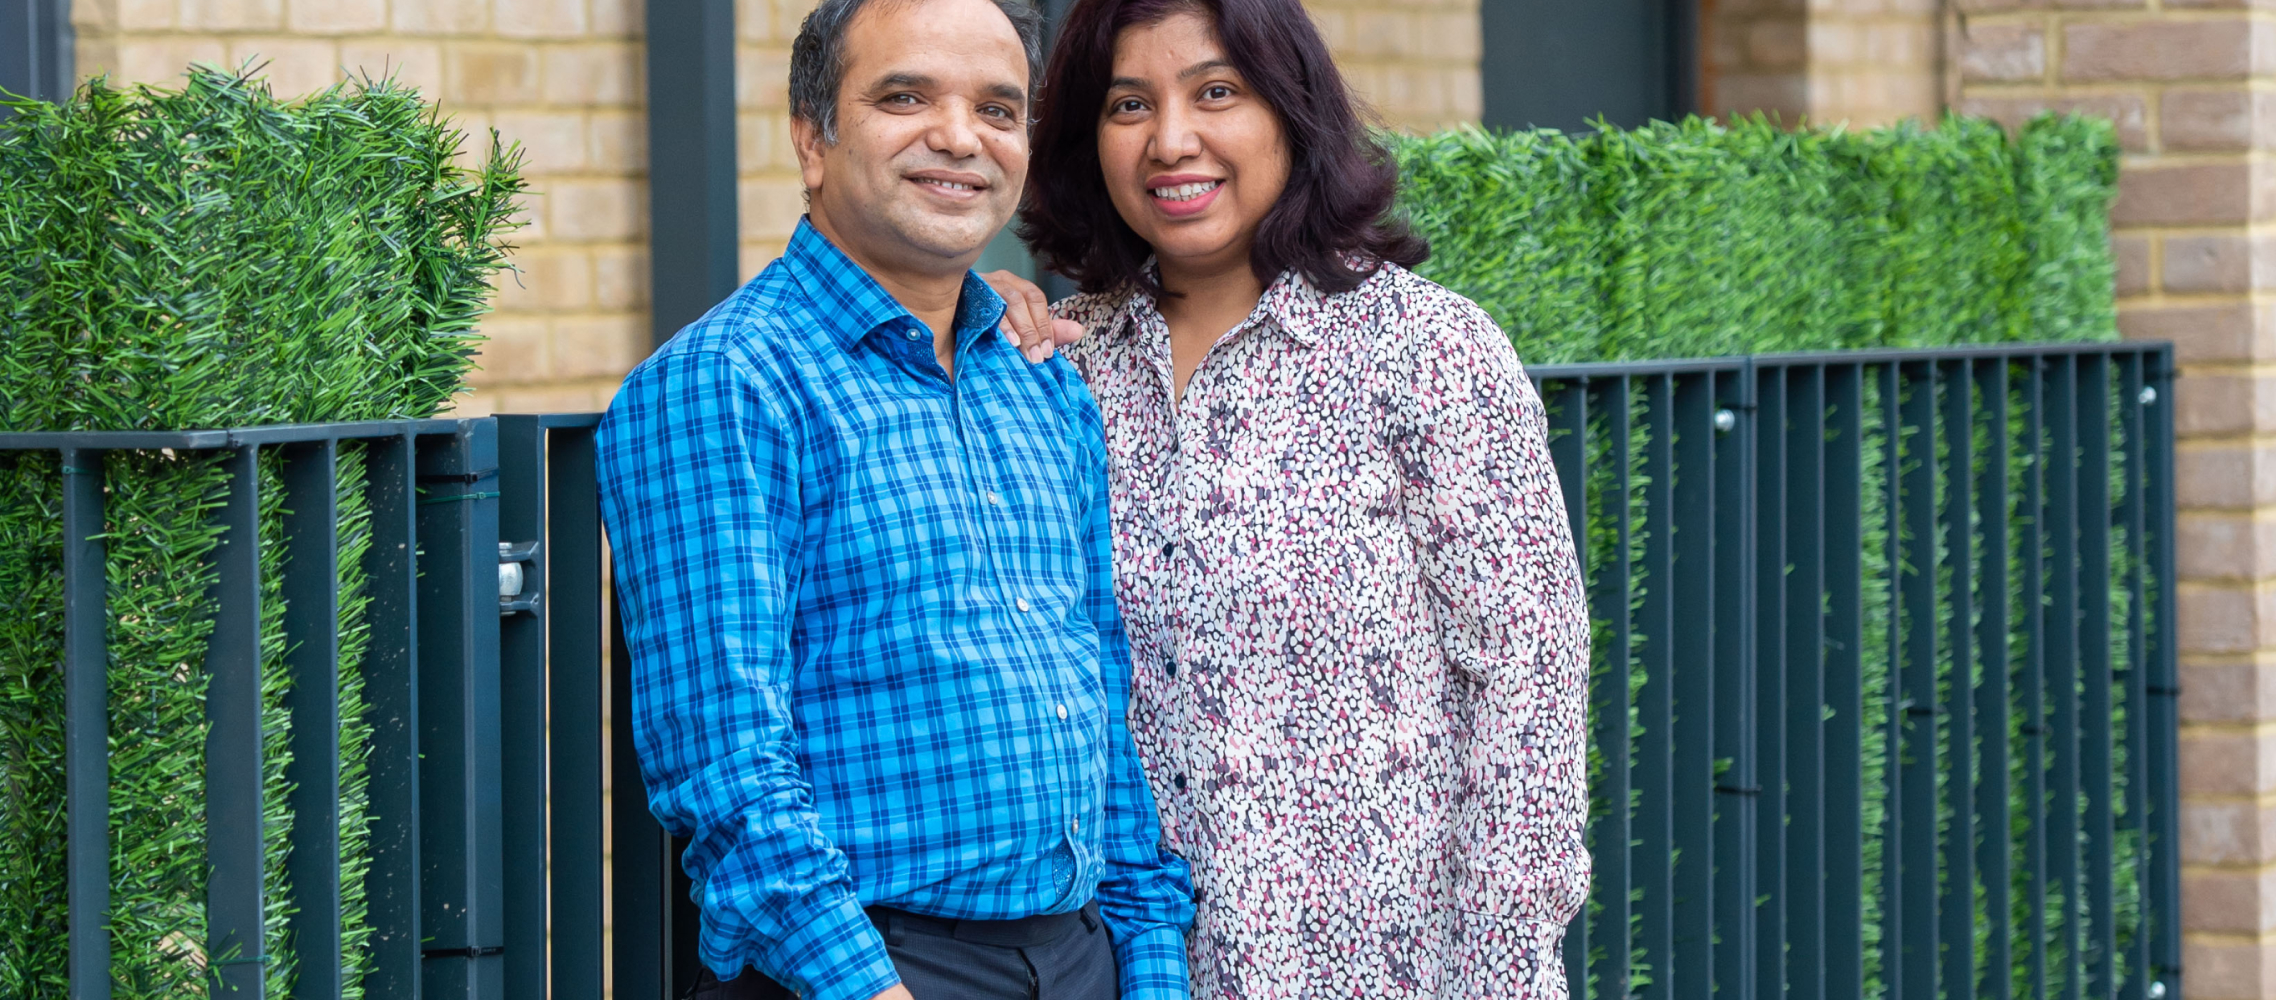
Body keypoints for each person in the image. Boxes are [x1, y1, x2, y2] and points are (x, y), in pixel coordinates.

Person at [984, 0, 1593, 994]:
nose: (1170, 140)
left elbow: (1527, 704)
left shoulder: (1424, 351)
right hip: (1128, 970)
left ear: (1290, 109)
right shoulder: (1060, 368)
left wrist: (1497, 972)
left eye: (1215, 91)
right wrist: (974, 311)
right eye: (1127, 103)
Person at [593, 0, 1193, 995]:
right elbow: (727, 767)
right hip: (866, 965)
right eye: (904, 96)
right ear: (810, 135)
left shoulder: (1039, 379)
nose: (958, 136)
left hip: (1082, 955)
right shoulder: (727, 381)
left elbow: (1101, 701)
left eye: (997, 110)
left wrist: (1152, 965)